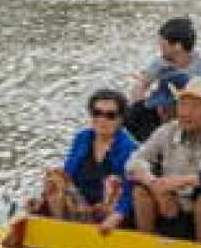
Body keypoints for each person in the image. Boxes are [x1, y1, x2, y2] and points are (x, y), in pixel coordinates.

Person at [103, 79, 201, 246]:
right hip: (169, 205)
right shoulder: (168, 130)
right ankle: (144, 247)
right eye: (182, 105)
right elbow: (135, 161)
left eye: (194, 107)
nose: (185, 113)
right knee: (141, 191)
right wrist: (154, 183)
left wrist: (181, 182)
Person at [31, 89, 138, 222]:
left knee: (114, 182)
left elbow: (129, 189)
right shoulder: (82, 138)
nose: (102, 120)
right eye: (96, 113)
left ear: (121, 119)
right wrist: (47, 193)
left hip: (108, 207)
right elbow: (67, 173)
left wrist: (117, 214)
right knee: (54, 178)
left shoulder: (129, 148)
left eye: (110, 115)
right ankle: (61, 226)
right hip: (82, 202)